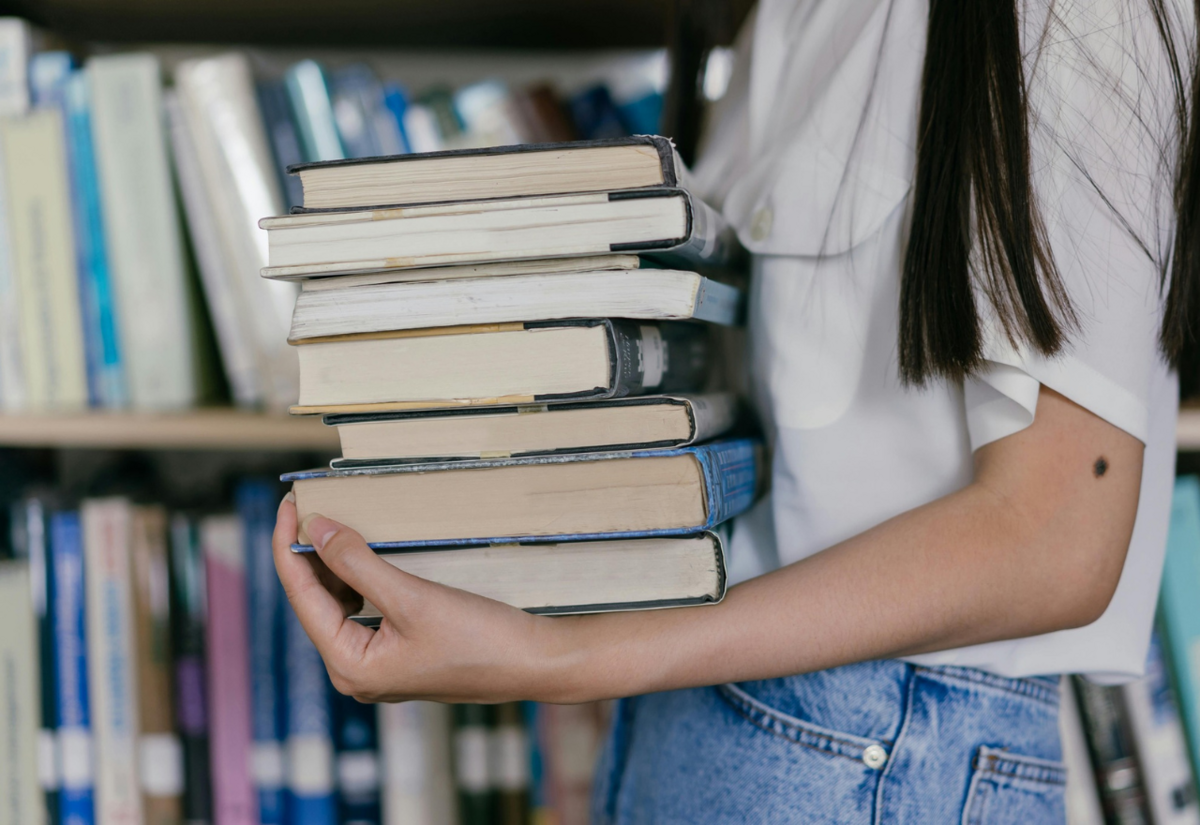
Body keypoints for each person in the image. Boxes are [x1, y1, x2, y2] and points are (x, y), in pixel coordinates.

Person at [273, 0, 1200, 819]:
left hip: (874, 751)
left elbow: (1057, 535)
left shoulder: (1074, 13)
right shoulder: (772, 19)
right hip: (699, 715)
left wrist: (565, 656)